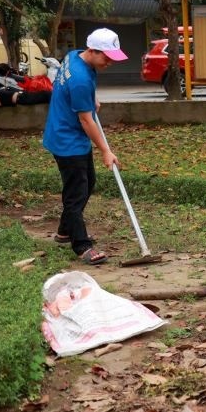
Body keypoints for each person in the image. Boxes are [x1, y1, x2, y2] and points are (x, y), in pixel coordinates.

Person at [42, 28, 128, 265]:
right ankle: (81, 245)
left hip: (67, 134)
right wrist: (106, 150)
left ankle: (64, 230)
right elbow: (86, 120)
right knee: (76, 194)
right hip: (67, 140)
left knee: (87, 182)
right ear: (93, 50)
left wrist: (90, 99)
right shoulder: (80, 79)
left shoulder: (74, 55)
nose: (110, 62)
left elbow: (77, 93)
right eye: (107, 57)